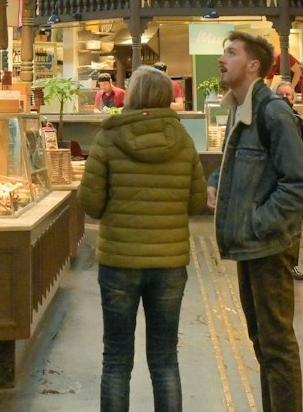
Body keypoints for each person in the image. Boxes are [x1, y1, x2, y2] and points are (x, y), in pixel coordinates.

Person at [79, 66, 207, 412]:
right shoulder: (184, 141)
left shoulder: (108, 138)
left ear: (132, 96)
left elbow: (90, 204)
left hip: (119, 261)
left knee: (117, 359)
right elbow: (197, 203)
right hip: (168, 264)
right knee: (165, 359)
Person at [207, 31, 303, 411]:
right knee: (262, 341)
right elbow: (240, 164)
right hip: (252, 247)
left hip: (268, 245)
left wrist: (257, 222)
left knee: (277, 346)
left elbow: (300, 184)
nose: (222, 59)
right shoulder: (240, 108)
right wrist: (217, 183)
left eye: (231, 53)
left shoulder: (272, 112)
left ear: (253, 66)